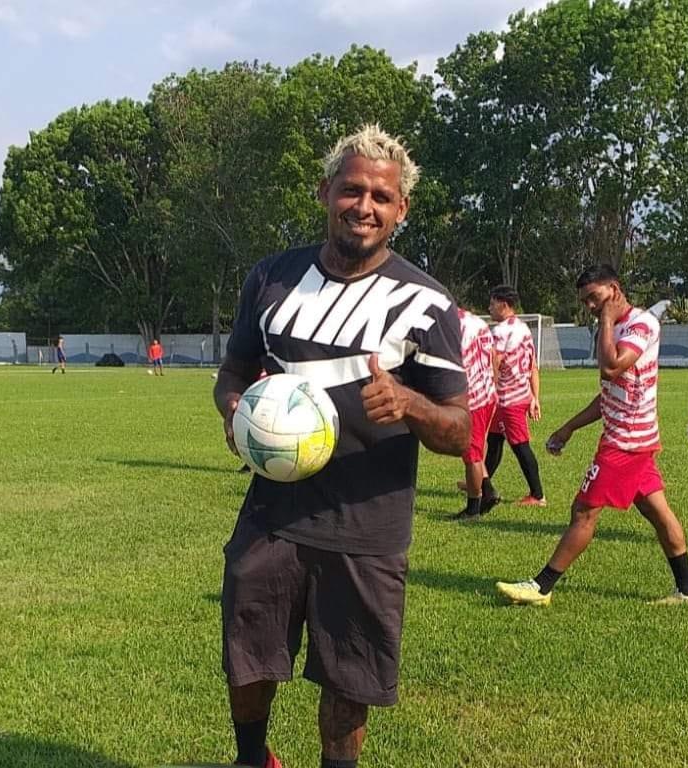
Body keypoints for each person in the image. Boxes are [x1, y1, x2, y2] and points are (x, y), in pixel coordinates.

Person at [213, 125, 469, 768]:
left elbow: (461, 430)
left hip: (367, 524)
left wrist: (410, 405)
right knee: (247, 655)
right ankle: (252, 759)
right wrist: (235, 413)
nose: (365, 206)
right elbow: (233, 374)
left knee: (348, 681)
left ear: (400, 210)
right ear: (326, 192)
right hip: (274, 512)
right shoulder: (272, 279)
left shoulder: (425, 303)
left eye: (381, 197)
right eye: (352, 190)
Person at [496, 265, 688, 607]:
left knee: (584, 511)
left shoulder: (640, 324)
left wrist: (606, 320)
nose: (590, 307)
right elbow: (609, 390)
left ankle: (541, 587)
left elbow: (612, 367)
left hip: (627, 441)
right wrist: (569, 428)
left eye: (594, 298)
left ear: (615, 289)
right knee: (658, 512)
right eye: (585, 301)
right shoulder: (616, 328)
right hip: (630, 435)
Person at [485, 285, 546, 506]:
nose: (489, 307)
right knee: (494, 441)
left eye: (492, 303)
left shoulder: (500, 331)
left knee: (520, 446)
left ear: (503, 304)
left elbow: (495, 362)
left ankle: (537, 495)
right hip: (520, 395)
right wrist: (535, 397)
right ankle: (483, 482)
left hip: (508, 399)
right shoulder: (523, 329)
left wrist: (484, 389)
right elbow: (533, 366)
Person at [452, 307, 500, 520]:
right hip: (488, 393)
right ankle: (488, 491)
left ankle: (473, 508)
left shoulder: (452, 326)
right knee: (478, 447)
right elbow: (493, 358)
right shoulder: (477, 322)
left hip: (472, 398)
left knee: (471, 453)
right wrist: (494, 385)